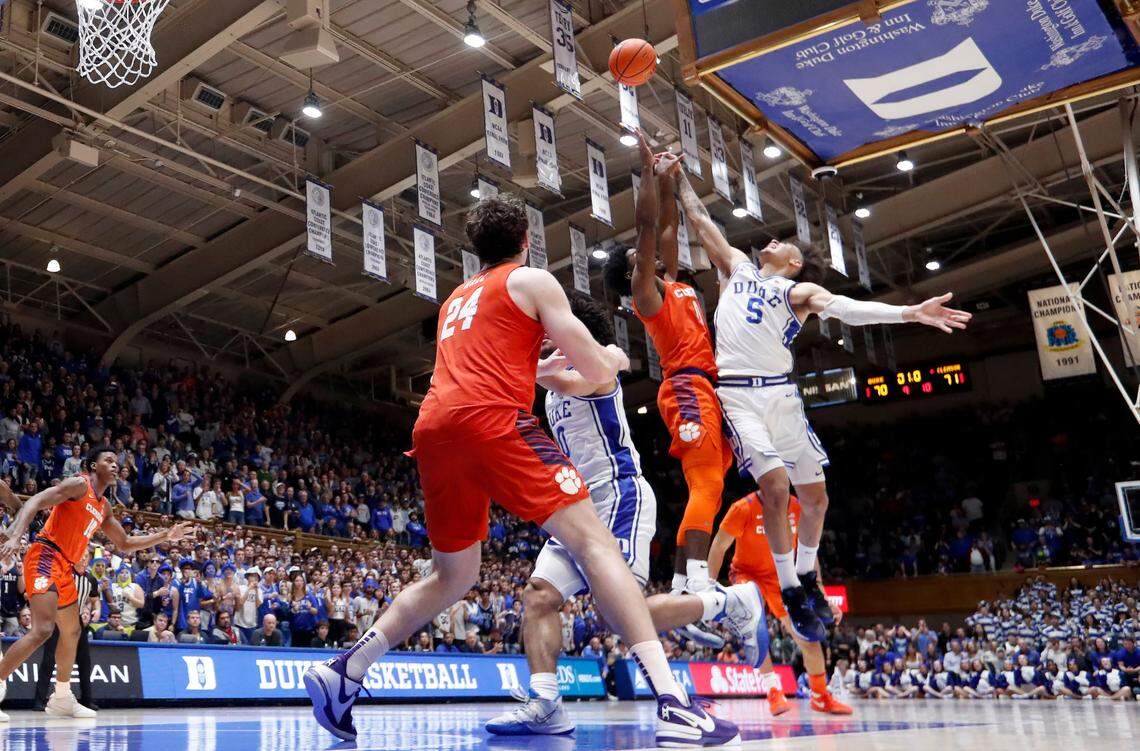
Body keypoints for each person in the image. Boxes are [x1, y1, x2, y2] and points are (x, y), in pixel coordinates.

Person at [304, 191, 738, 747]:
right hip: (492, 421)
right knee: (594, 543)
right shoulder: (532, 281)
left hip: (433, 430)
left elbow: (500, 361)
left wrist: (543, 367)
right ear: (527, 242)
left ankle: (348, 669)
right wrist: (607, 359)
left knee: (453, 576)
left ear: (475, 249)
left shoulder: (455, 300)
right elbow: (593, 363)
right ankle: (673, 703)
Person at [665, 152, 971, 642]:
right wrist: (679, 181)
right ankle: (790, 588)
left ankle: (805, 576)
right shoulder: (738, 269)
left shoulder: (797, 290)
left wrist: (909, 313)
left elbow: (846, 309)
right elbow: (701, 223)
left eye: (781, 241)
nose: (769, 239)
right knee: (775, 489)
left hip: (782, 398)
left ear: (793, 262)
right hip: (740, 398)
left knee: (817, 497)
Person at [486, 283, 765, 736]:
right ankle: (545, 705)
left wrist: (512, 362)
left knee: (622, 613)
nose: (541, 341)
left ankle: (726, 601)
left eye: (547, 333)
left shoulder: (597, 365)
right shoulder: (553, 378)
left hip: (620, 497)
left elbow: (572, 377)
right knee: (538, 595)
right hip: (575, 504)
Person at [602, 139, 732, 606]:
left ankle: (684, 581)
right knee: (707, 484)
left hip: (706, 388)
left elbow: (670, 228)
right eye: (641, 255)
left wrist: (670, 178)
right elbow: (647, 226)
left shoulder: (674, 281)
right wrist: (645, 174)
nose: (651, 252)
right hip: (685, 386)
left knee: (712, 488)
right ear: (632, 272)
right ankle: (695, 576)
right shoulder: (646, 296)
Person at [0, 449, 192, 718]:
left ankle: (62, 697)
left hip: (66, 566)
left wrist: (165, 535)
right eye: (109, 461)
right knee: (43, 629)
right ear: (93, 465)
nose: (115, 466)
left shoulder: (104, 506)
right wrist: (15, 534)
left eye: (117, 462)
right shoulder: (79, 484)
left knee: (72, 631)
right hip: (45, 554)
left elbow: (125, 543)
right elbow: (35, 502)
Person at [708, 492, 850, 716]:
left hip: (781, 577)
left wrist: (820, 594)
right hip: (746, 574)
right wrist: (708, 587)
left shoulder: (798, 507)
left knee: (808, 636)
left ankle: (821, 697)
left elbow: (809, 552)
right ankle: (773, 689)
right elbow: (718, 546)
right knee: (757, 628)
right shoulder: (742, 507)